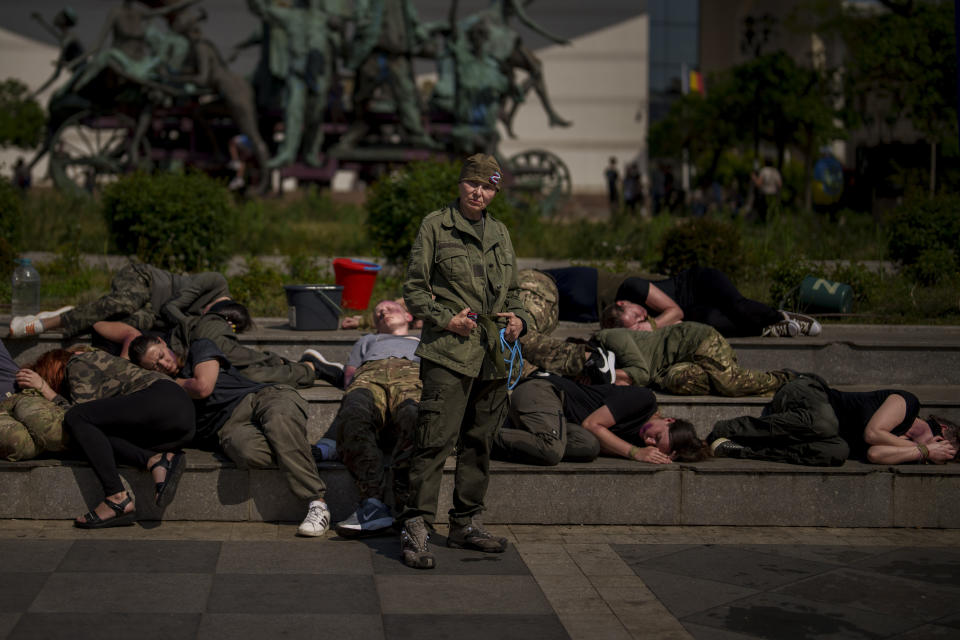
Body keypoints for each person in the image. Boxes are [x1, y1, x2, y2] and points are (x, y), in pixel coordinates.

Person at [398, 153, 531, 569]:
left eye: (488, 187)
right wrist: (444, 318)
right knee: (434, 442)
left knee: (479, 443)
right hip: (449, 354)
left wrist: (519, 319)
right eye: (473, 184)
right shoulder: (437, 225)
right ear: (460, 184)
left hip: (493, 356)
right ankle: (416, 526)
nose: (479, 192)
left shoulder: (500, 232)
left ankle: (465, 523)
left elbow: (512, 292)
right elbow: (414, 291)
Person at [129, 335, 331, 537]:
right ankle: (316, 452)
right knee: (248, 452)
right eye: (155, 366)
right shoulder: (157, 391)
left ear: (162, 342)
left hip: (260, 397)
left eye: (162, 355)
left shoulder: (199, 349)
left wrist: (168, 382)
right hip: (230, 426)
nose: (164, 364)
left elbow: (203, 387)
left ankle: (317, 503)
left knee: (279, 420)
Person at [15, 348, 195, 528]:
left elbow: (79, 414)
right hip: (178, 426)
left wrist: (45, 389)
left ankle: (116, 496)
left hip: (164, 399)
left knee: (76, 419)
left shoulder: (78, 362)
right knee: (96, 436)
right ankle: (155, 461)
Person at [708, 373, 960, 466]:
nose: (934, 453)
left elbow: (874, 455)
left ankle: (744, 450)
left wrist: (921, 453)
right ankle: (726, 428)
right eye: (941, 445)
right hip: (809, 393)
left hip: (820, 431)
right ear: (943, 429)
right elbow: (873, 434)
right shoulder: (908, 403)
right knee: (826, 423)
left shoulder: (903, 446)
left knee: (837, 452)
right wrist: (924, 449)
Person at [331, 299, 422, 536]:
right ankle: (372, 504)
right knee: (353, 411)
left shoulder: (424, 338)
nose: (383, 311)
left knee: (415, 414)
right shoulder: (367, 340)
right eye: (378, 312)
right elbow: (350, 377)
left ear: (409, 316)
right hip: (370, 376)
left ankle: (406, 505)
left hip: (411, 375)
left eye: (390, 307)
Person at [8, 262, 230, 352]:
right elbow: (171, 308)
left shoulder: (212, 317)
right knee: (125, 304)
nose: (204, 314)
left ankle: (69, 313)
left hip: (152, 312)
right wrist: (192, 321)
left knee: (121, 324)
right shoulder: (216, 281)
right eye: (210, 312)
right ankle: (43, 323)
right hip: (145, 281)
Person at [495, 372, 705, 466]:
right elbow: (592, 424)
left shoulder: (639, 437)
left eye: (656, 447)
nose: (649, 441)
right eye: (657, 437)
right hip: (545, 392)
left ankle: (508, 432)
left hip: (559, 420)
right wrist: (635, 453)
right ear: (669, 420)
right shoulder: (643, 400)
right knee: (550, 450)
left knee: (588, 446)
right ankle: (479, 435)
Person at [332, 0, 438, 152]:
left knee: (407, 98)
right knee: (362, 98)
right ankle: (354, 134)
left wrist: (423, 38)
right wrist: (361, 24)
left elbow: (412, 20)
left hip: (397, 54)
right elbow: (360, 16)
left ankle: (418, 136)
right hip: (373, 53)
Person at [166, 299, 344, 389]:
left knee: (250, 375)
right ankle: (310, 368)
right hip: (196, 372)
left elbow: (226, 350)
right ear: (228, 318)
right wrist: (271, 359)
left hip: (197, 372)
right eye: (235, 325)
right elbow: (227, 350)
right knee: (249, 375)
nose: (232, 329)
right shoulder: (213, 321)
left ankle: (310, 368)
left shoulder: (209, 324)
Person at [594, 324, 794, 396]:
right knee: (680, 380)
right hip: (672, 367)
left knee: (729, 385)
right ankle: (720, 376)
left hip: (694, 341)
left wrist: (601, 376)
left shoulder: (609, 337)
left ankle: (785, 379)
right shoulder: (605, 358)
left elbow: (641, 374)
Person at [752, 158, 782, 223]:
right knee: (772, 210)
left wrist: (754, 178)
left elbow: (758, 184)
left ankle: (764, 224)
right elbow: (780, 184)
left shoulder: (764, 171)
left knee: (764, 211)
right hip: (773, 193)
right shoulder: (775, 171)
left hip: (765, 193)